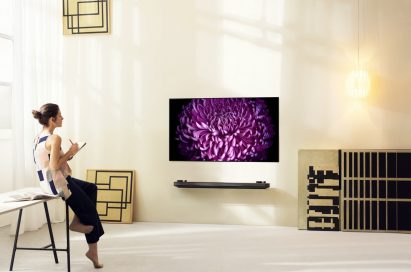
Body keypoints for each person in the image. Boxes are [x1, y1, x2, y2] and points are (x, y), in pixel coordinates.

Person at [32, 103, 104, 269]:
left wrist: (70, 154)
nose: (62, 118)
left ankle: (77, 221)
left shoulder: (39, 137)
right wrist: (70, 152)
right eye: (60, 115)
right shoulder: (55, 138)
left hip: (47, 182)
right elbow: (54, 166)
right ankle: (92, 251)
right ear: (52, 119)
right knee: (91, 213)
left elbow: (51, 161)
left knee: (91, 188)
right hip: (58, 183)